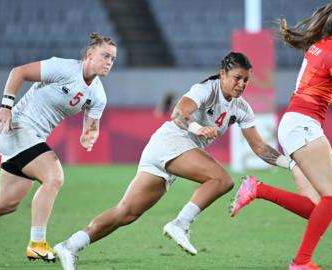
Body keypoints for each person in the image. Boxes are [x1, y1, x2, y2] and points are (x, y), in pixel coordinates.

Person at [54, 52, 294, 270]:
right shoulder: (207, 90)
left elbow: (260, 147)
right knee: (221, 179)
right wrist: (197, 128)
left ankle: (70, 245)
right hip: (170, 142)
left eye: (246, 80)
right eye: (237, 78)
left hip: (167, 153)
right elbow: (178, 112)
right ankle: (181, 224)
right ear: (223, 74)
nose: (241, 85)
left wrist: (291, 164)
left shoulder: (241, 108)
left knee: (126, 213)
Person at [229, 2, 332, 270]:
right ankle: (301, 263)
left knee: (316, 207)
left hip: (295, 123)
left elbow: (331, 101)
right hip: (303, 125)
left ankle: (257, 189)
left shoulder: (319, 49)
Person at [0, 32, 117, 263]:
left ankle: (34, 241)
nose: (109, 62)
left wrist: (88, 136)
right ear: (90, 54)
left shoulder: (98, 95)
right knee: (54, 177)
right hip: (17, 127)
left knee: (6, 203)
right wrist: (6, 106)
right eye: (105, 56)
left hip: (28, 138)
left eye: (113, 58)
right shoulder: (62, 68)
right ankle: (37, 243)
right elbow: (18, 72)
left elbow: (92, 126)